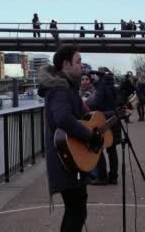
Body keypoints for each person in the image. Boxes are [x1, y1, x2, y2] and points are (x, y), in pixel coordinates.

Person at [37, 46, 103, 232]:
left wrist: (113, 115)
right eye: (78, 61)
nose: (82, 66)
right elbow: (63, 118)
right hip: (65, 160)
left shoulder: (67, 89)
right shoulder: (60, 90)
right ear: (66, 64)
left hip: (70, 159)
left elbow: (85, 118)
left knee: (77, 209)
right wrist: (89, 136)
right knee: (76, 211)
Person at [86, 67, 122, 186]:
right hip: (114, 120)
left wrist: (87, 101)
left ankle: (102, 177)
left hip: (104, 122)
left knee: (98, 148)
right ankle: (113, 177)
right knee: (112, 150)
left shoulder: (102, 86)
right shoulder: (115, 87)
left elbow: (95, 103)